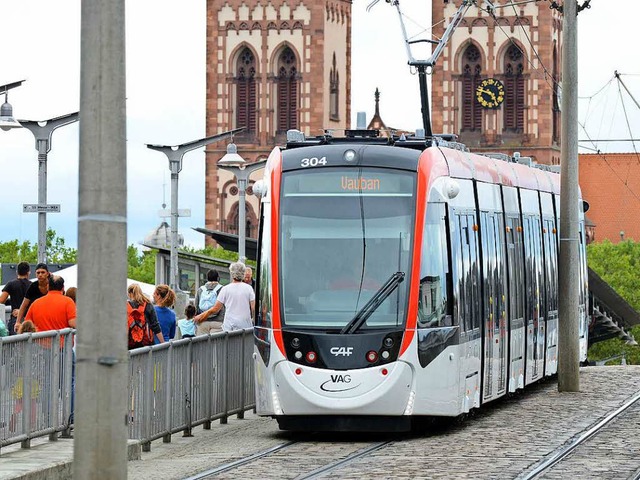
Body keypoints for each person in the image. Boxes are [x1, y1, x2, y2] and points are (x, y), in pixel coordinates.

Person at [194, 262, 255, 332]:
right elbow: (253, 308)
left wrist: (200, 316)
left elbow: (215, 309)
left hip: (229, 326)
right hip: (245, 325)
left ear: (231, 274)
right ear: (243, 274)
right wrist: (254, 320)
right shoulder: (249, 288)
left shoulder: (226, 289)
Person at [15, 263, 50, 333]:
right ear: (35, 274)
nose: (40, 275)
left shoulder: (53, 284)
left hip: (49, 316)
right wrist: (18, 322)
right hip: (36, 318)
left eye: (43, 272)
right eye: (38, 273)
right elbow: (24, 305)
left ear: (47, 274)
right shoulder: (33, 286)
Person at [127, 283, 164, 349]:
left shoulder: (126, 306)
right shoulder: (148, 305)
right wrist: (163, 343)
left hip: (130, 345)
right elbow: (155, 326)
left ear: (130, 293)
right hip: (146, 345)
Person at [0, 261, 31, 336]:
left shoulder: (11, 284)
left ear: (17, 272)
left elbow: (1, 300)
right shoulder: (32, 286)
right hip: (29, 319)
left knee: (14, 344)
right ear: (28, 272)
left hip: (15, 319)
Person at [194, 269, 225, 335]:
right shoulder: (222, 289)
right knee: (216, 344)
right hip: (218, 322)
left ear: (207, 278)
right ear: (218, 278)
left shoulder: (200, 289)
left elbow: (196, 306)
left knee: (202, 344)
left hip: (203, 321)